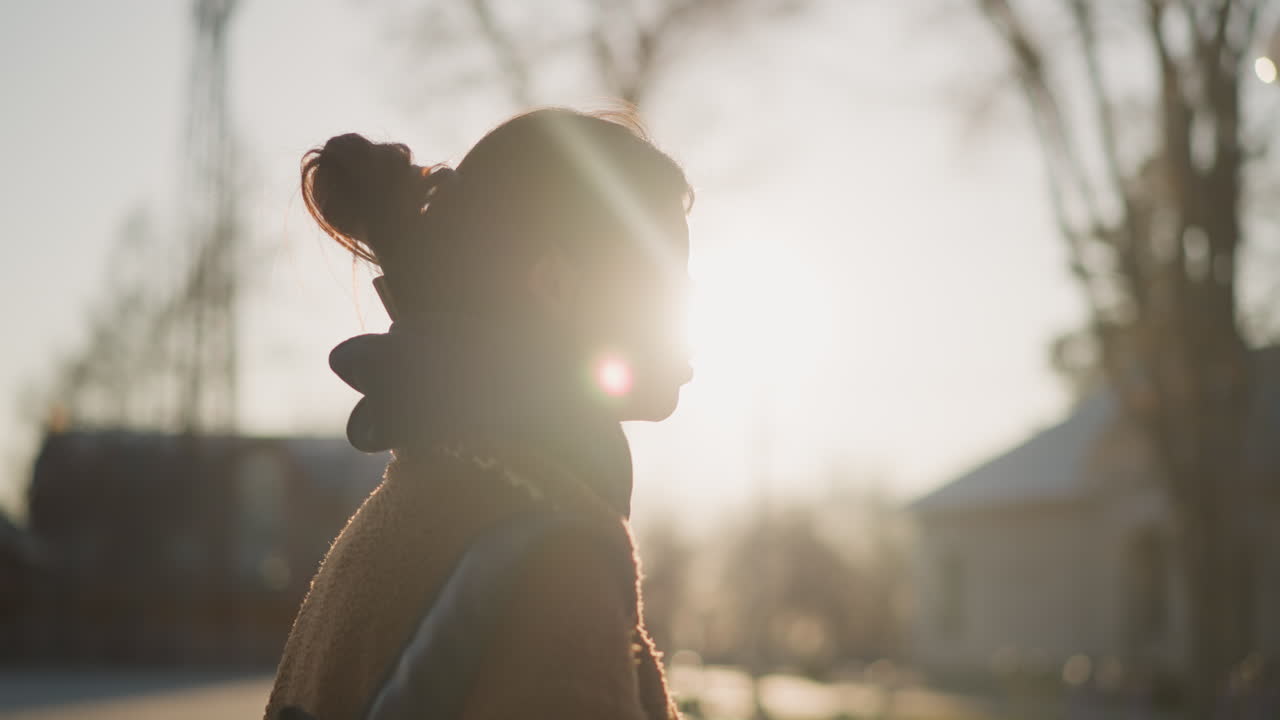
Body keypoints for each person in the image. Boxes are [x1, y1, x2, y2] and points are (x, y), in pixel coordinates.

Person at [263, 107, 695, 720]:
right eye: (667, 287)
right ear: (556, 286)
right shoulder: (550, 565)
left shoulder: (395, 520)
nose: (688, 320)